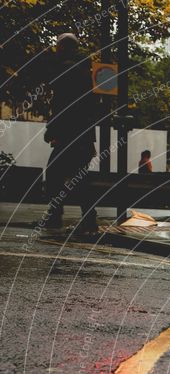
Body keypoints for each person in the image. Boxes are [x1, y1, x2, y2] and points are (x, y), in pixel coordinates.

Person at [43, 33, 98, 236]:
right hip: (82, 135)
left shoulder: (65, 68)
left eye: (58, 46)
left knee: (54, 175)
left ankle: (55, 216)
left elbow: (62, 105)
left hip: (68, 135)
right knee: (80, 178)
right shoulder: (85, 70)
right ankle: (89, 220)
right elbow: (89, 107)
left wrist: (52, 130)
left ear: (63, 47)